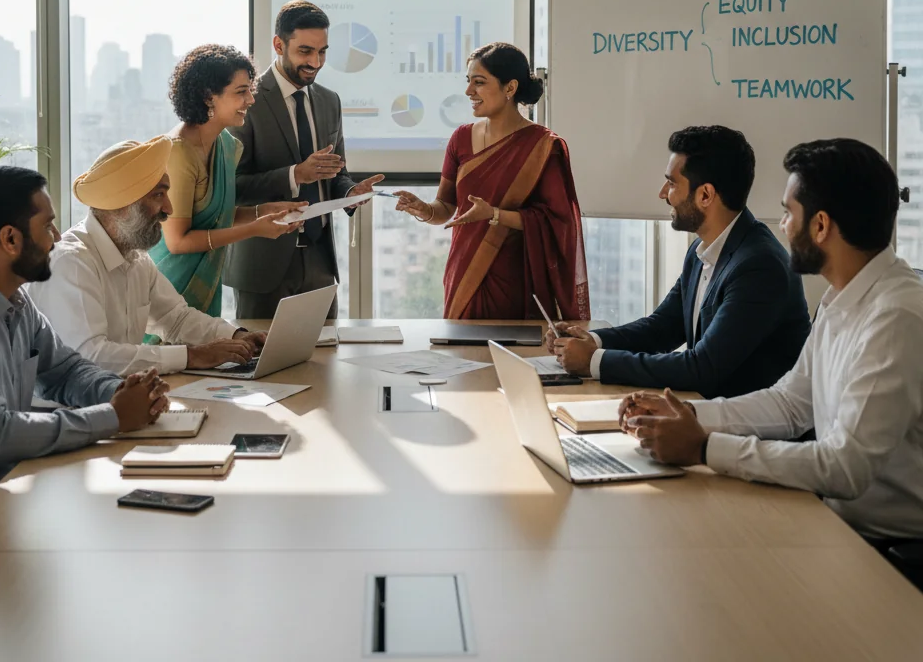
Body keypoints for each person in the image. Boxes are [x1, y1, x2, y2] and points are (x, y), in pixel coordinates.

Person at [620, 138, 923, 587]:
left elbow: (845, 469)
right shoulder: (844, 296)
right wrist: (688, 417)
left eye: (787, 213)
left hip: (886, 555)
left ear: (820, 226)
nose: (781, 226)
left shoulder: (895, 317)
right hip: (830, 522)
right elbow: (789, 405)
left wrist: (704, 447)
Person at [0, 166, 170, 568]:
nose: (57, 238)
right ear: (10, 239)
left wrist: (119, 389)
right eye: (48, 226)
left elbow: (65, 370)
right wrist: (112, 416)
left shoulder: (14, 300)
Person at [548, 125, 809, 399]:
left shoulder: (759, 266)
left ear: (705, 195)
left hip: (748, 430)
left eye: (672, 183)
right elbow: (662, 327)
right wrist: (590, 341)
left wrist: (594, 361)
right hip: (708, 413)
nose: (663, 193)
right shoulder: (702, 247)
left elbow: (703, 367)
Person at [29, 138, 267, 376]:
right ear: (122, 203)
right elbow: (92, 357)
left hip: (116, 399)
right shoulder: (71, 262)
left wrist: (238, 337)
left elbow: (176, 319)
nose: (169, 209)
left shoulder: (137, 257)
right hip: (66, 410)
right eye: (158, 195)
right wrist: (193, 356)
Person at [395, 42, 589, 321]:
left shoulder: (544, 146)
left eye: (479, 82)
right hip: (463, 272)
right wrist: (424, 210)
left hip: (516, 276)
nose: (468, 92)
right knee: (460, 358)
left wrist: (495, 215)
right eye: (468, 82)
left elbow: (558, 223)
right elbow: (447, 207)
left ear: (510, 88)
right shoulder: (460, 139)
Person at [223, 1, 383, 320]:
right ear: (278, 44)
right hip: (263, 266)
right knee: (264, 365)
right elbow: (232, 188)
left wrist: (349, 192)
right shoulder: (246, 100)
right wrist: (295, 175)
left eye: (322, 52)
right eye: (305, 51)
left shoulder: (329, 101)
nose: (316, 62)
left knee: (326, 366)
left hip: (321, 261)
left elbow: (335, 174)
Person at [151, 44, 303, 315]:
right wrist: (255, 229)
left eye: (250, 90)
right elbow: (177, 241)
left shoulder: (226, 145)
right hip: (170, 294)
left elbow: (215, 216)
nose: (251, 101)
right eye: (241, 92)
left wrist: (263, 211)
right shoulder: (179, 153)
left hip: (205, 295)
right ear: (209, 96)